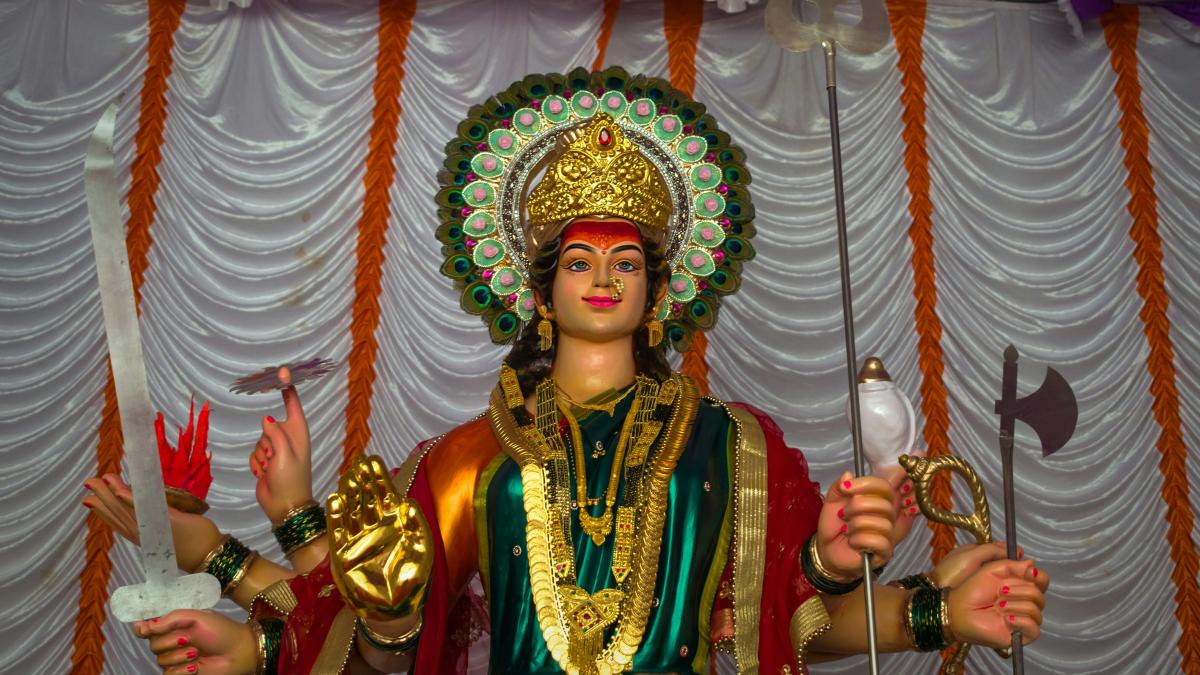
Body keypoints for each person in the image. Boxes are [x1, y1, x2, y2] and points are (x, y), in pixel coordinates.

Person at [86, 68, 1047, 674]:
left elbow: (791, 628)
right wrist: (283, 604)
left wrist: (932, 608)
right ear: (538, 291)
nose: (602, 277)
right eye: (580, 261)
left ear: (659, 290)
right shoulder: (466, 458)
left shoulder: (737, 447)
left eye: (626, 261)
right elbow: (376, 638)